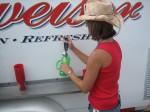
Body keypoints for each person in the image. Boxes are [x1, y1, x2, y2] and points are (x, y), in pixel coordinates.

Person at [59, 0, 124, 112]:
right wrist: (73, 48)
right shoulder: (113, 44)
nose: (86, 26)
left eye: (88, 23)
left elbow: (84, 88)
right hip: (113, 101)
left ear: (95, 26)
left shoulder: (98, 54)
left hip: (102, 107)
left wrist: (69, 71)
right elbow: (95, 64)